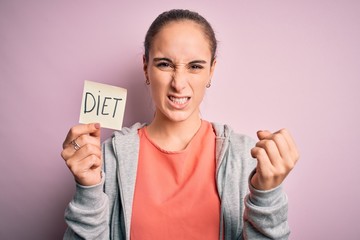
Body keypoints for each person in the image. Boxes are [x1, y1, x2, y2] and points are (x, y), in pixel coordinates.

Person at [61, 9, 299, 240]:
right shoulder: (108, 158)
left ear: (211, 71)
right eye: (165, 64)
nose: (179, 83)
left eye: (195, 66)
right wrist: (88, 191)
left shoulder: (246, 157)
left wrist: (266, 195)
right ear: (146, 67)